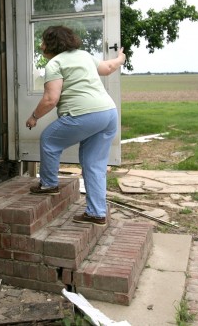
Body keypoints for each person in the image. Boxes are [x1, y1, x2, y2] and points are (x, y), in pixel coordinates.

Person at [25, 25, 126, 225]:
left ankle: (49, 184)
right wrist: (120, 59)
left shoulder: (55, 64)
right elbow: (108, 68)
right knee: (94, 164)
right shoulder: (84, 55)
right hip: (108, 114)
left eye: (43, 41)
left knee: (49, 140)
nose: (41, 45)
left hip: (84, 115)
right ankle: (96, 213)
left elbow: (50, 99)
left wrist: (34, 117)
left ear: (51, 44)